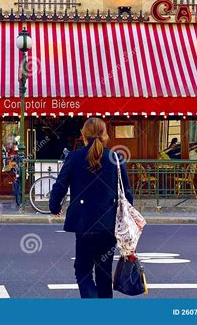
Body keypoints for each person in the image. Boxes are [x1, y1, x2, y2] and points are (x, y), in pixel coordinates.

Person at [49, 117, 133, 299]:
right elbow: (126, 193)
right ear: (104, 135)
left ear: (83, 136)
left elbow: (60, 185)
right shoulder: (116, 158)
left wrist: (54, 206)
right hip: (109, 223)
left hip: (84, 223)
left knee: (83, 270)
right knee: (104, 273)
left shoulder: (74, 157)